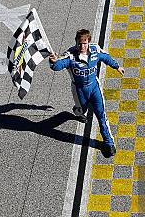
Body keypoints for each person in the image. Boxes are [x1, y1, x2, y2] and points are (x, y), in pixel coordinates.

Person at [49, 29, 124, 157]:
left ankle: (109, 142)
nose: (82, 46)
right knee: (81, 111)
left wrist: (117, 66)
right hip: (79, 90)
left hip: (95, 88)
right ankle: (76, 111)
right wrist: (53, 61)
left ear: (88, 42)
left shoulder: (95, 50)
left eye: (84, 43)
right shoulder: (70, 55)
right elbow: (57, 66)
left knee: (101, 115)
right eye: (79, 43)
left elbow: (106, 57)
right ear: (76, 42)